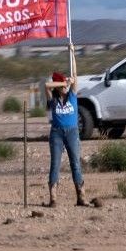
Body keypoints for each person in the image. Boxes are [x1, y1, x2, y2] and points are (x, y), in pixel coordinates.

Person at [45, 69, 89, 207]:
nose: (66, 87)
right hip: (56, 133)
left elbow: (75, 77)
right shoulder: (52, 99)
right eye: (62, 86)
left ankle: (81, 197)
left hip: (72, 132)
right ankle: (53, 199)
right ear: (57, 87)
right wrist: (63, 82)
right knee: (55, 164)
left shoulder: (72, 95)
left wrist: (72, 52)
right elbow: (46, 85)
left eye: (66, 85)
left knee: (75, 163)